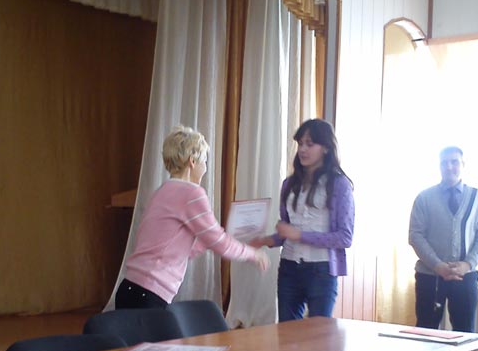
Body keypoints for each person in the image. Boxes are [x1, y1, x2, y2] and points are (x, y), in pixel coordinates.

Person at [115, 126, 269, 309]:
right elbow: (220, 243)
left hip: (130, 288)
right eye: (205, 161)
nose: (205, 167)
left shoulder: (162, 191)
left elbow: (178, 249)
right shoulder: (192, 193)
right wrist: (253, 254)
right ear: (192, 161)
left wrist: (211, 239)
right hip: (148, 294)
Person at [254, 118, 355, 321]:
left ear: (326, 148)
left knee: (318, 334)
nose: (302, 149)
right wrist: (265, 240)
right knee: (287, 332)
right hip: (289, 267)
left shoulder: (339, 184)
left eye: (310, 144)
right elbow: (286, 232)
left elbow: (344, 237)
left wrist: (299, 235)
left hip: (322, 269)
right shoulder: (289, 184)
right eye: (300, 143)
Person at [409, 145, 478, 332]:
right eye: (444, 163)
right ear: (439, 166)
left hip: (465, 277)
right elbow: (415, 235)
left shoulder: (477, 198)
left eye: (454, 162)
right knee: (425, 332)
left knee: (465, 334)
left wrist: (468, 264)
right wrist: (438, 265)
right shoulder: (424, 198)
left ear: (463, 164)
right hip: (430, 276)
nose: (449, 167)